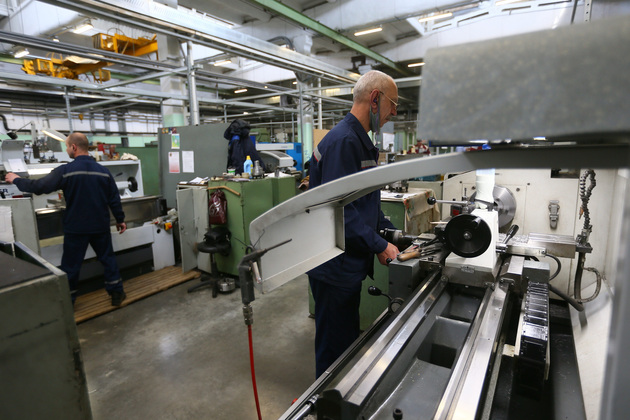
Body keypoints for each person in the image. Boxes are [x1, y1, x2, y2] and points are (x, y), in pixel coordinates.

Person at [307, 70, 400, 377]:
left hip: (345, 265)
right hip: (334, 268)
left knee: (344, 343)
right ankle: (325, 398)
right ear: (375, 99)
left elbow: (363, 204)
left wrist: (390, 233)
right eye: (392, 104)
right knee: (335, 353)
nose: (394, 113)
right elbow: (340, 212)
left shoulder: (357, 141)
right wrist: (380, 245)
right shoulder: (345, 142)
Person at [5, 132, 128, 307]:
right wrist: (120, 219)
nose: (67, 150)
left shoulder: (66, 171)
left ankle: (68, 302)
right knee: (108, 260)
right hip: (100, 225)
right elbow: (114, 198)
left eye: (67, 147)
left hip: (76, 227)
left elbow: (39, 186)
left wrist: (17, 179)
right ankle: (116, 294)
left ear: (74, 147)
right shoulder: (103, 171)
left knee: (71, 266)